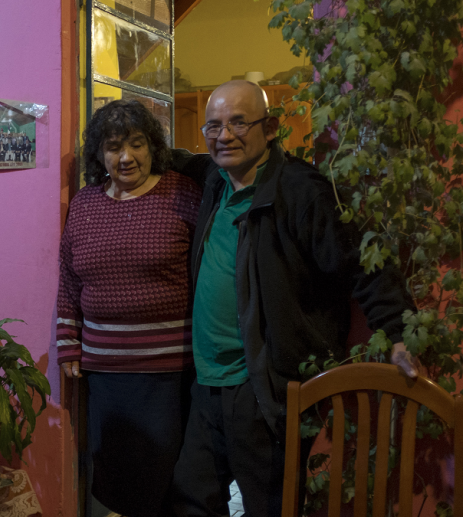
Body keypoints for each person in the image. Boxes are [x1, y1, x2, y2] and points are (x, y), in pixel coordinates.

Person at [169, 80, 418, 517]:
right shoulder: (213, 178)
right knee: (192, 498)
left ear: (270, 129)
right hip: (207, 382)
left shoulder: (301, 190)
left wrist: (397, 333)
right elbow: (175, 158)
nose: (224, 136)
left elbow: (362, 261)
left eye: (238, 123)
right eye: (214, 126)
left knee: (268, 506)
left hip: (262, 386)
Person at [56, 99, 201, 516]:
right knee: (115, 480)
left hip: (169, 374)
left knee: (167, 481)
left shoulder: (182, 193)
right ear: (99, 154)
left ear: (152, 146)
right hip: (104, 375)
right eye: (114, 146)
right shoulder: (85, 203)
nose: (126, 157)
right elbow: (69, 277)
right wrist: (68, 342)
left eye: (136, 143)